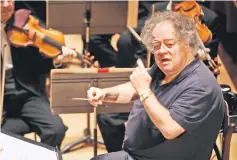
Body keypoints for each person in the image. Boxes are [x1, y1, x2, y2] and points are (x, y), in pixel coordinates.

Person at [87, 11, 225, 160]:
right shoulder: (165, 68)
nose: (161, 51)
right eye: (156, 45)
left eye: (169, 44)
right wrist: (104, 93)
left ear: (187, 44)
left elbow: (170, 128)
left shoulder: (201, 85)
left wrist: (144, 90)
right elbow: (134, 88)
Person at [1, 0, 77, 148]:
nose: (6, 5)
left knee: (55, 130)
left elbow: (39, 64)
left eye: (9, 0)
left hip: (26, 91)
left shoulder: (23, 22)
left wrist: (57, 60)